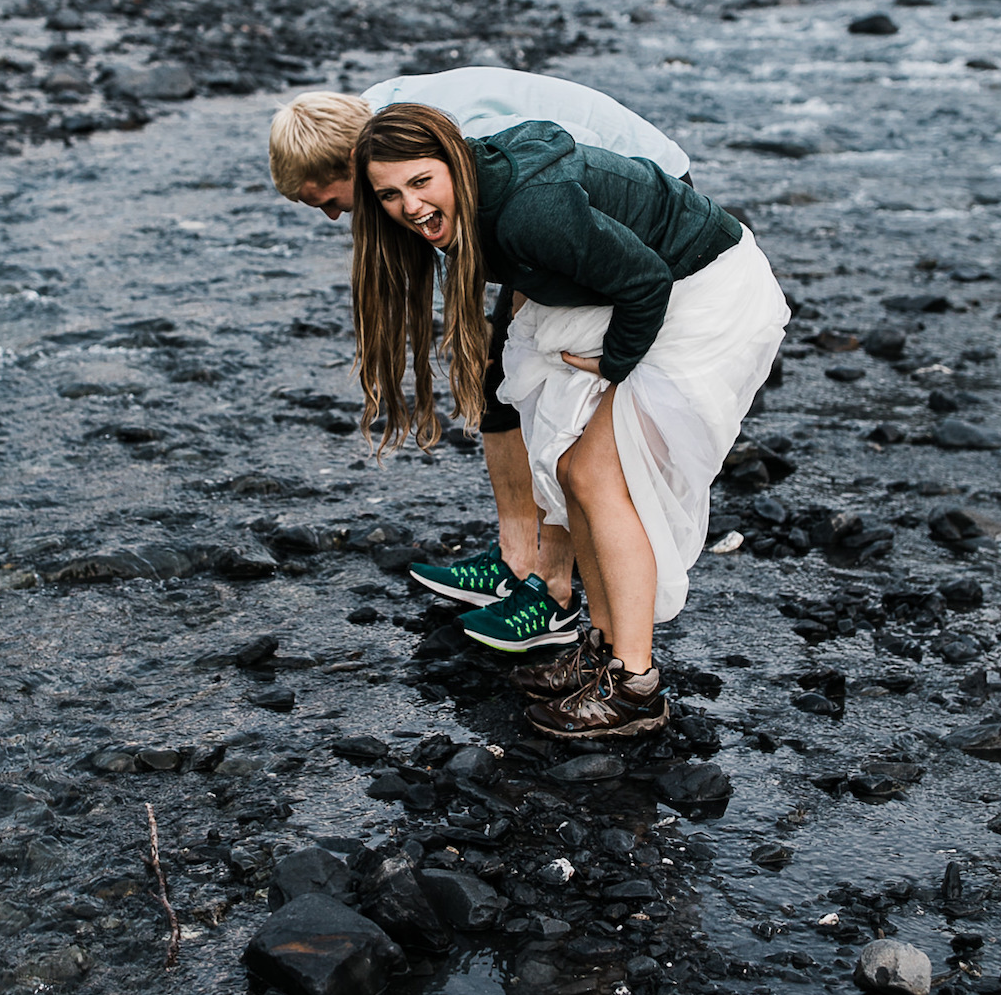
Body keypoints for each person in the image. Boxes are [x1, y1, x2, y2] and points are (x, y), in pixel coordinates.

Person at [353, 105, 787, 739]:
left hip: (705, 290)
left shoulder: (534, 212)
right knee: (569, 468)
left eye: (422, 181)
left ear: (455, 160)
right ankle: (604, 650)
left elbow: (645, 281)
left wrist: (613, 364)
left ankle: (635, 687)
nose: (410, 206)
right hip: (657, 286)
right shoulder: (474, 208)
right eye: (389, 194)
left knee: (594, 473)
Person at [267, 69, 692, 654]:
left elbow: (548, 204)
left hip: (633, 199)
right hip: (543, 214)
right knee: (499, 380)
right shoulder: (378, 128)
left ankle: (552, 590)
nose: (335, 218)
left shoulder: (452, 145)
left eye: (328, 203)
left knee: (549, 391)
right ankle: (516, 559)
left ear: (351, 169)